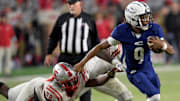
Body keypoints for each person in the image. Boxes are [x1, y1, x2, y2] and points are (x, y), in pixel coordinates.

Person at [74, 1, 175, 101]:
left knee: (154, 96)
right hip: (134, 71)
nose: (147, 20)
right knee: (154, 96)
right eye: (143, 18)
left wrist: (164, 46)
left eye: (148, 17)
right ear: (133, 19)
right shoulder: (122, 30)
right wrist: (82, 63)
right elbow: (100, 47)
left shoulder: (154, 29)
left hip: (148, 68)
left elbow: (171, 51)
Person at [44, 0, 100, 101]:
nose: (72, 6)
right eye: (70, 3)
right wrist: (49, 53)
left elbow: (95, 40)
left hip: (82, 58)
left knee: (85, 88)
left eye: (74, 3)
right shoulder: (63, 19)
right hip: (65, 58)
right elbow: (54, 37)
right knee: (60, 88)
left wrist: (94, 58)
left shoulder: (88, 19)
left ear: (80, 3)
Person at [0, 62, 116, 101]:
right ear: (61, 83)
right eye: (69, 82)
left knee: (9, 93)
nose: (74, 83)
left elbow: (96, 82)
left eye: (73, 79)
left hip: (39, 85)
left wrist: (109, 75)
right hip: (33, 91)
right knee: (10, 95)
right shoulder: (52, 90)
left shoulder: (78, 77)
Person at [0, 11, 15, 76]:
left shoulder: (8, 26)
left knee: (8, 60)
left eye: (4, 18)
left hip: (8, 45)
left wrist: (14, 43)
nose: (3, 19)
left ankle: (7, 72)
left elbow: (12, 35)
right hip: (0, 46)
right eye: (2, 18)